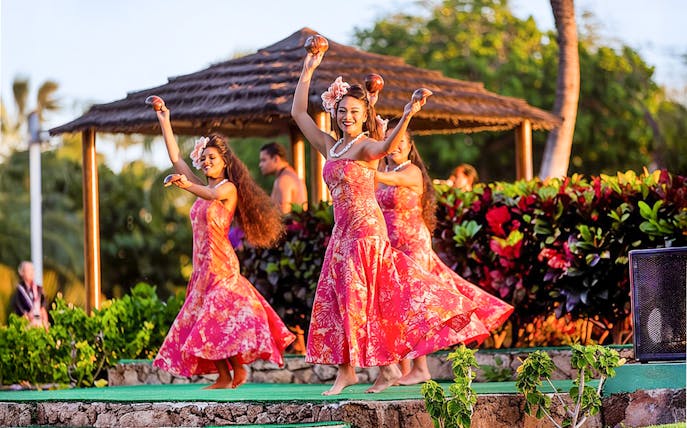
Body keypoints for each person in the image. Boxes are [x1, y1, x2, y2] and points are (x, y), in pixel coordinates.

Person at [291, 43, 478, 395]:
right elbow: (299, 114)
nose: (347, 116)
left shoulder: (364, 147)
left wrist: (407, 112)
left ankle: (357, 371)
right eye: (342, 110)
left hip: (365, 229)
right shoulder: (330, 147)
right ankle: (382, 368)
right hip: (342, 231)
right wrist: (308, 67)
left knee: (355, 294)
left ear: (363, 116)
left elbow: (386, 148)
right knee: (341, 296)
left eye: (354, 111)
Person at [152, 104, 295, 389]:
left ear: (224, 161)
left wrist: (184, 185)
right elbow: (176, 158)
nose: (206, 162)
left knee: (215, 318)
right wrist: (164, 119)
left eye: (212, 157)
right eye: (203, 158)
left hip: (222, 265)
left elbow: (210, 192)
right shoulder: (200, 187)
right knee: (202, 321)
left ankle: (237, 370)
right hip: (202, 267)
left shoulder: (226, 188)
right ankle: (224, 375)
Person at [376, 124, 513, 384]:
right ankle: (404, 369)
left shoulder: (410, 171)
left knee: (417, 303)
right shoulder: (383, 170)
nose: (395, 145)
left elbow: (382, 180)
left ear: (409, 145)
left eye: (400, 141)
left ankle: (420, 368)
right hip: (389, 246)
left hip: (412, 243)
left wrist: (363, 165)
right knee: (396, 306)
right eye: (389, 141)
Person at [258, 142, 308, 213]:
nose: (260, 165)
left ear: (276, 159)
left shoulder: (284, 180)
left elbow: (284, 214)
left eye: (263, 160)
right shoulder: (288, 175)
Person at [11, 261, 50, 329]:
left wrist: (45, 322)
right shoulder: (18, 291)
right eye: (28, 270)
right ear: (22, 272)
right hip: (27, 324)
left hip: (40, 322)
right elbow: (19, 310)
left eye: (32, 270)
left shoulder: (39, 289)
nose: (31, 272)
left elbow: (43, 307)